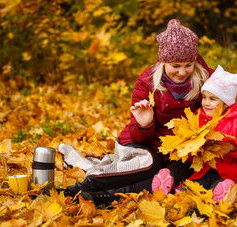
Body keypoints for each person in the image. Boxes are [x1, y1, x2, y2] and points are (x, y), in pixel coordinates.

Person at [54, 19, 215, 206]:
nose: (182, 72)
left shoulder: (208, 79)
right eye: (175, 66)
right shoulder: (147, 81)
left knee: (167, 178)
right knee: (150, 164)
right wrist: (144, 124)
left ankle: (106, 197)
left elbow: (226, 110)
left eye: (188, 65)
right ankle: (81, 188)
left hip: (182, 152)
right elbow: (138, 138)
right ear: (163, 62)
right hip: (146, 145)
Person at [151, 65, 237, 202]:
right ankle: (169, 189)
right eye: (204, 97)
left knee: (217, 187)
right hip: (202, 170)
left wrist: (233, 146)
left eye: (213, 99)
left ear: (226, 103)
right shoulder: (198, 118)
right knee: (190, 190)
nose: (206, 103)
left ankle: (224, 193)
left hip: (227, 172)